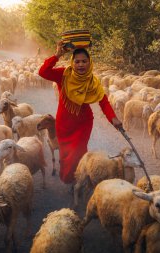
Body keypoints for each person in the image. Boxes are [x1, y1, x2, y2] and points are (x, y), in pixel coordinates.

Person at [38, 41, 122, 184]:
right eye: (77, 61)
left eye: (84, 61)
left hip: (83, 124)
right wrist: (57, 54)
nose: (81, 65)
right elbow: (43, 72)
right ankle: (69, 177)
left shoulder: (92, 81)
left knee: (78, 152)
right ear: (72, 62)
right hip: (64, 124)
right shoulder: (63, 75)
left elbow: (103, 101)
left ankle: (80, 178)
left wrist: (113, 118)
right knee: (65, 154)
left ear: (89, 63)